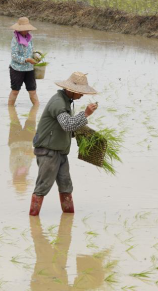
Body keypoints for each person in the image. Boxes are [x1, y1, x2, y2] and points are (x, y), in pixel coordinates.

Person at [29, 72, 98, 216]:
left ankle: (68, 218)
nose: (82, 95)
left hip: (60, 153)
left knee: (66, 186)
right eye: (80, 92)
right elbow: (67, 124)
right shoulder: (58, 102)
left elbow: (65, 129)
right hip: (48, 153)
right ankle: (33, 220)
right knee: (42, 187)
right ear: (71, 90)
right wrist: (85, 114)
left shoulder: (67, 102)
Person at [9, 17, 39, 107]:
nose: (27, 31)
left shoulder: (29, 38)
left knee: (32, 91)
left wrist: (36, 57)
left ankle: (36, 109)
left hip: (29, 69)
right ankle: (10, 110)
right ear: (19, 29)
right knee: (15, 91)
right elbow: (14, 56)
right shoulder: (15, 40)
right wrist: (26, 60)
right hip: (17, 69)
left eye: (27, 29)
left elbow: (31, 51)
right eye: (24, 29)